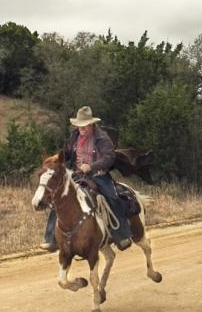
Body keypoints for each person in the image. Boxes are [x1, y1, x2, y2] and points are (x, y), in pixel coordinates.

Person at [40, 106, 133, 252]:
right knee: (59, 198)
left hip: (99, 176)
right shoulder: (75, 135)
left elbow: (109, 157)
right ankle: (51, 239)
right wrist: (57, 157)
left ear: (91, 124)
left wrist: (91, 166)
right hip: (78, 175)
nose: (81, 128)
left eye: (84, 125)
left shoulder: (102, 138)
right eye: (79, 125)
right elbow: (68, 151)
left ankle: (121, 235)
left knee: (112, 197)